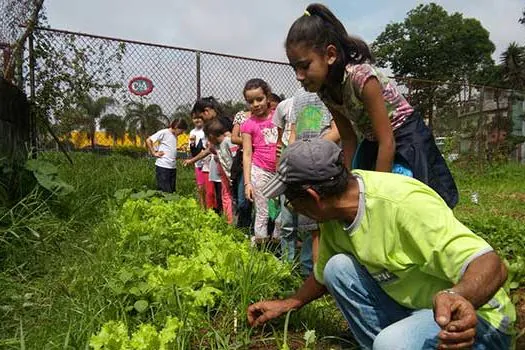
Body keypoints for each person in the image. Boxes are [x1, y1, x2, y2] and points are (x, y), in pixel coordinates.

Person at [248, 138, 515, 350]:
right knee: (337, 268)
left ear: (313, 196)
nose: (292, 208)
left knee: (391, 343)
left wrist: (459, 297)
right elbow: (322, 275)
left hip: (473, 321)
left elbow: (492, 265)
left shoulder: (403, 204)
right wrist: (288, 303)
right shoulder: (336, 212)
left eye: (291, 201)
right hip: (419, 311)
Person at [285, 3, 458, 209]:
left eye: (305, 66)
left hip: (405, 137)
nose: (299, 76)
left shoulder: (362, 78)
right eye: (294, 68)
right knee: (358, 191)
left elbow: (388, 141)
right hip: (372, 141)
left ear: (330, 55)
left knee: (413, 202)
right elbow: (348, 138)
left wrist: (376, 197)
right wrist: (345, 183)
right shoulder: (325, 91)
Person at [241, 78, 279, 245]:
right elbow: (247, 154)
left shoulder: (278, 118)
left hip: (279, 171)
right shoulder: (248, 124)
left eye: (259, 99)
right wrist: (247, 183)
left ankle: (278, 245)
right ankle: (261, 247)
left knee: (280, 213)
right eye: (251, 101)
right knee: (262, 211)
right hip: (259, 170)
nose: (255, 104)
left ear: (267, 97)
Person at [184, 97, 233, 212]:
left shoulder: (220, 123)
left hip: (229, 164)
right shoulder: (220, 121)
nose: (202, 120)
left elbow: (229, 141)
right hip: (222, 163)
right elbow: (210, 149)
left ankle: (230, 222)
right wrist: (193, 160)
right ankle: (227, 219)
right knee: (224, 193)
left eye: (201, 117)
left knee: (228, 194)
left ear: (206, 111)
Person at [204, 119, 239, 224]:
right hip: (226, 175)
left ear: (211, 136)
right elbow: (211, 150)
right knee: (227, 196)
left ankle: (238, 222)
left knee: (237, 199)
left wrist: (234, 176)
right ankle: (229, 220)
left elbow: (236, 158)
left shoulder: (228, 141)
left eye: (208, 137)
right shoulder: (216, 145)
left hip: (235, 175)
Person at [145, 118, 188, 193]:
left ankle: (170, 204)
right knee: (164, 191)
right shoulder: (164, 132)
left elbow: (169, 147)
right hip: (163, 166)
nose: (182, 133)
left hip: (172, 166)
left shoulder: (175, 136)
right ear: (176, 127)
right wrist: (154, 153)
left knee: (171, 190)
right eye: (181, 131)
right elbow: (149, 140)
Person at [231, 109, 253, 230]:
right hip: (244, 159)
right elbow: (234, 137)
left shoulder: (270, 115)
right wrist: (250, 141)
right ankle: (244, 228)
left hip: (264, 159)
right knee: (242, 199)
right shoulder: (241, 116)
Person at [189, 114, 206, 207]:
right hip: (198, 163)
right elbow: (192, 146)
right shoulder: (192, 132)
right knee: (200, 187)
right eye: (194, 118)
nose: (197, 120)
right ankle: (202, 207)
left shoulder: (206, 130)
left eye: (199, 117)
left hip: (207, 161)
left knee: (209, 187)